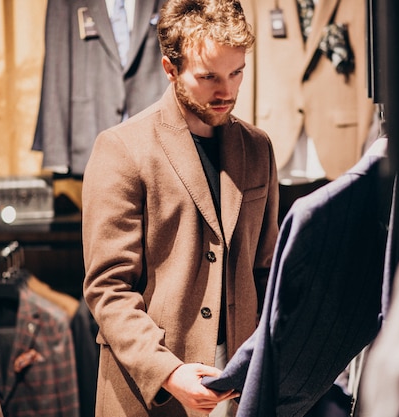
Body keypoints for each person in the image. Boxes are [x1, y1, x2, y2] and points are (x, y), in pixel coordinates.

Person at [81, 0, 280, 416]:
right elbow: (108, 290)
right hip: (151, 389)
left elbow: (265, 272)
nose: (226, 91)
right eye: (208, 77)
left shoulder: (257, 147)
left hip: (241, 385)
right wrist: (169, 373)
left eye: (236, 72)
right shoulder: (122, 148)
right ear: (170, 69)